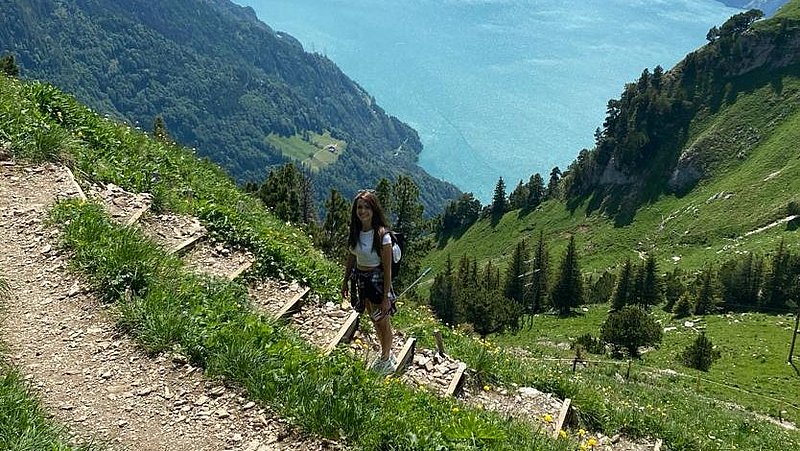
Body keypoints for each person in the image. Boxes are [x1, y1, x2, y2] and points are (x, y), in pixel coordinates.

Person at [341, 190, 397, 374]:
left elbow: (387, 269)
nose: (362, 211)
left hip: (377, 282)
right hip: (362, 280)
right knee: (375, 319)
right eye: (359, 207)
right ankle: (386, 354)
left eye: (366, 207)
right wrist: (345, 280)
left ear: (374, 210)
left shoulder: (382, 236)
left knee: (382, 321)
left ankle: (386, 359)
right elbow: (352, 256)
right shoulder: (356, 232)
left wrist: (386, 296)